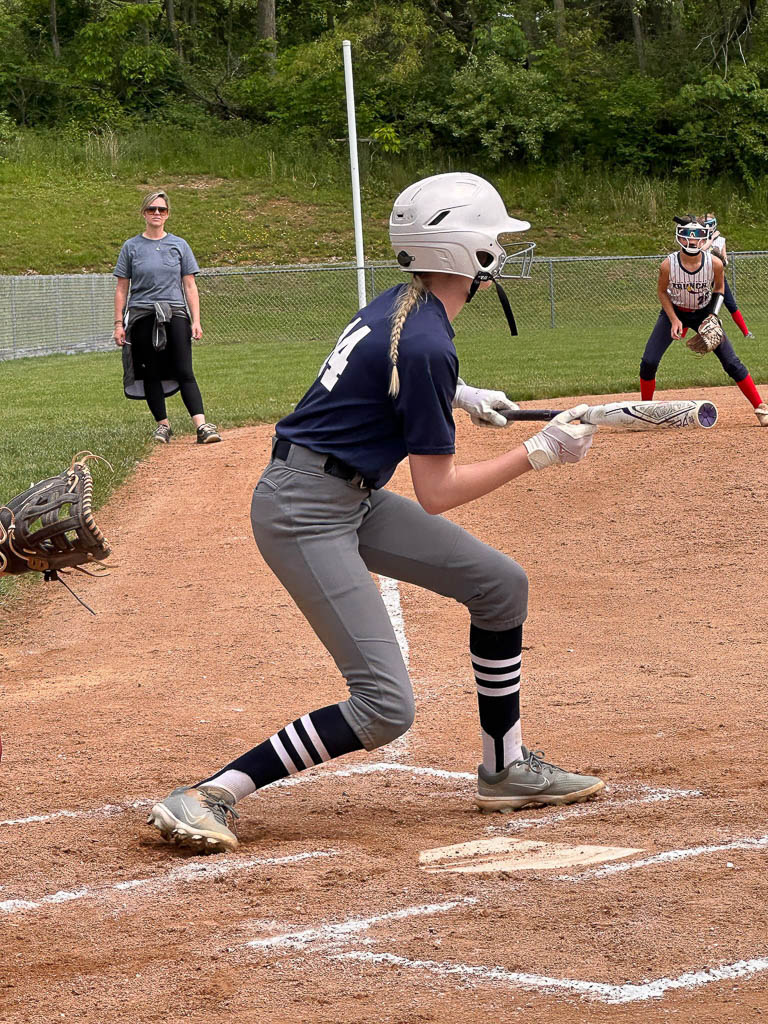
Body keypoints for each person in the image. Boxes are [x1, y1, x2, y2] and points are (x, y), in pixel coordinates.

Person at [147, 172, 604, 855]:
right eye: (493, 240)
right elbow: (438, 491)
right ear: (465, 252)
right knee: (385, 707)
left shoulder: (403, 307)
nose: (500, 253)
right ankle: (211, 793)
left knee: (500, 585)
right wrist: (537, 453)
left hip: (344, 495)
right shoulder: (426, 343)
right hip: (304, 510)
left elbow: (379, 375)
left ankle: (504, 767)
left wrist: (464, 392)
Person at [113, 190, 221, 445]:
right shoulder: (131, 247)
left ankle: (202, 425)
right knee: (150, 371)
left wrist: (196, 320)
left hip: (175, 312)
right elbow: (121, 288)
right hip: (142, 314)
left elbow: (190, 285)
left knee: (184, 369)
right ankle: (163, 426)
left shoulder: (179, 245)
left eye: (161, 210)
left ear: (168, 214)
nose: (157, 214)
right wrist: (119, 323)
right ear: (143, 213)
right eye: (152, 209)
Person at [639, 218, 768, 427]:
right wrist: (673, 320)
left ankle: (761, 407)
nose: (692, 242)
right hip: (676, 311)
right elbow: (662, 292)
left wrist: (713, 316)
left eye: (697, 237)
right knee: (649, 362)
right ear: (679, 237)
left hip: (704, 313)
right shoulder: (668, 264)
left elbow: (719, 290)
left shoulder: (714, 264)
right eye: (687, 237)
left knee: (731, 362)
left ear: (705, 239)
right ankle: (645, 412)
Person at [699, 212, 754, 339]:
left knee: (731, 304)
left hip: (718, 276)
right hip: (702, 276)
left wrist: (722, 258)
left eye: (710, 224)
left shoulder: (721, 240)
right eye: (705, 225)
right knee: (694, 306)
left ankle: (746, 332)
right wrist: (711, 239)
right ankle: (681, 335)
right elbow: (700, 251)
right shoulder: (700, 239)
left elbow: (726, 261)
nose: (708, 227)